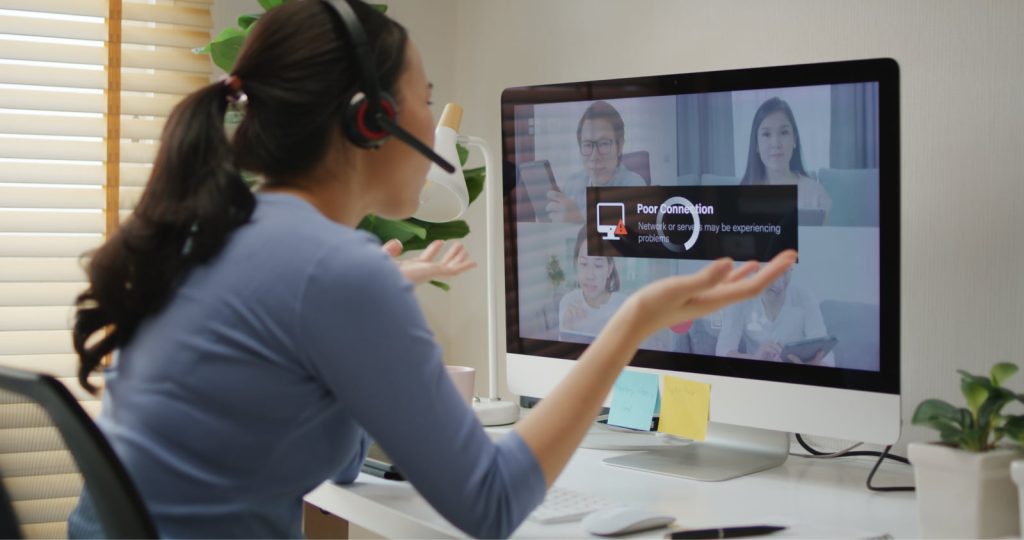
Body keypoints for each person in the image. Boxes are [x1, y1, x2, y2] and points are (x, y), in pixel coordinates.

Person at [67, 1, 796, 538]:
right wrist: (633, 320)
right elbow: (491, 505)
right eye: (423, 97)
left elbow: (337, 464)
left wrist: (367, 331)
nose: (435, 121)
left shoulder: (219, 229)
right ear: (369, 122)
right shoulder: (329, 269)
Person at [546, 100, 647, 222]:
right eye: (587, 145)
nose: (594, 156)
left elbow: (625, 239)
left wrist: (578, 221)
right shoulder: (572, 184)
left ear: (619, 146)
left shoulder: (635, 187)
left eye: (603, 144)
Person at [715, 267, 835, 367]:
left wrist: (814, 366)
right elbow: (722, 351)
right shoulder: (738, 299)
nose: (779, 284)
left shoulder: (805, 298)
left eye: (785, 272)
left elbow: (826, 354)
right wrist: (755, 358)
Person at [740, 97, 832, 213]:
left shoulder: (815, 194)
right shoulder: (743, 193)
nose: (775, 143)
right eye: (766, 134)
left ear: (794, 140)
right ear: (756, 145)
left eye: (784, 132)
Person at [558, 227, 626, 339]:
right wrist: (568, 329)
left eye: (598, 265)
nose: (590, 275)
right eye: (583, 264)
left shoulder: (623, 305)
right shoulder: (568, 302)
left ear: (609, 269)